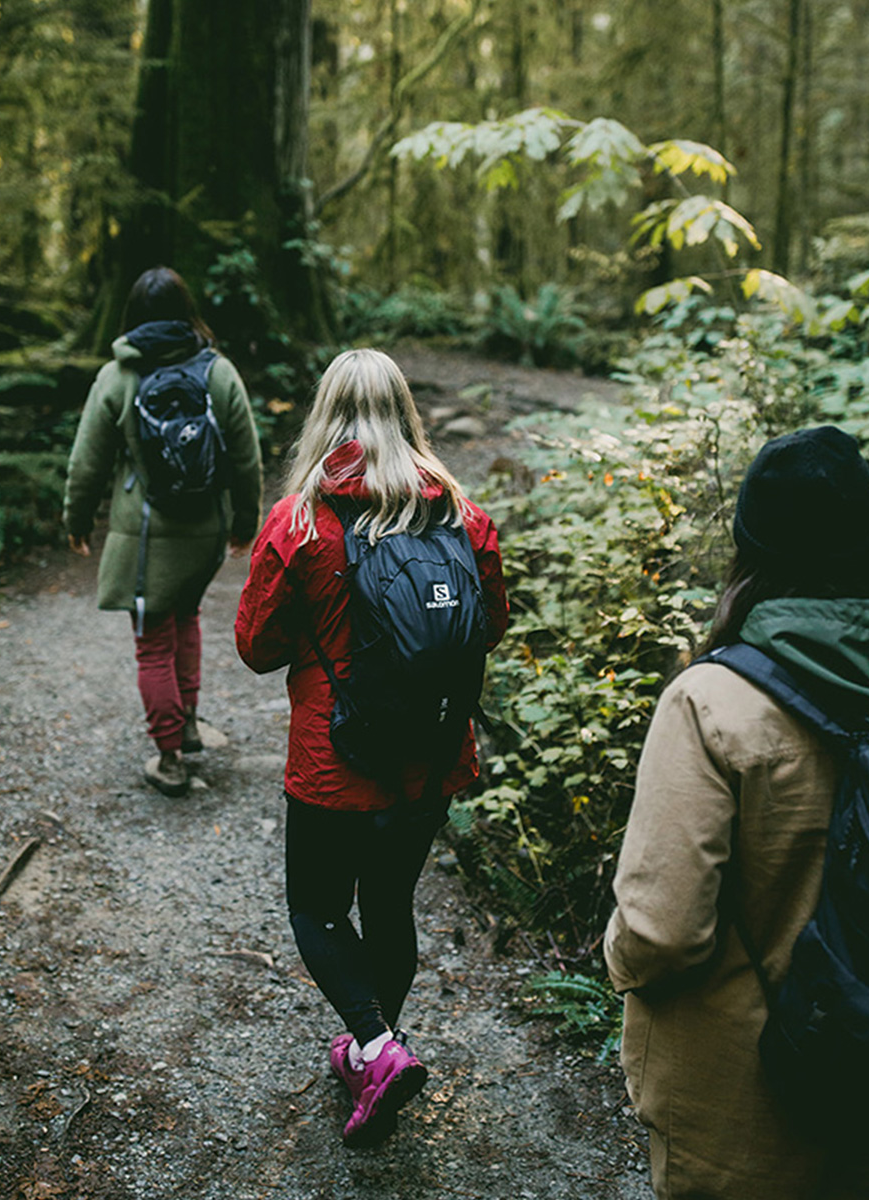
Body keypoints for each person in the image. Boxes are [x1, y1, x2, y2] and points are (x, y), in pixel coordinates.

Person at [603, 425, 869, 1199]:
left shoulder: (711, 701)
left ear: (749, 554)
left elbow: (663, 932)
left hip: (742, 1107)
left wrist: (620, 958)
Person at [234, 348, 508, 1147]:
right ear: (405, 411)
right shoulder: (459, 511)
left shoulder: (300, 521)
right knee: (388, 906)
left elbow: (256, 644)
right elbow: (489, 624)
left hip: (335, 760)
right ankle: (372, 1052)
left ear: (325, 413)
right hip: (430, 755)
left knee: (316, 908)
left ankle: (377, 1050)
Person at [64, 266, 262, 797]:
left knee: (152, 641)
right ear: (187, 310)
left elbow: (88, 462)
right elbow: (245, 456)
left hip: (144, 533)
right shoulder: (218, 371)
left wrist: (76, 520)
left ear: (132, 316)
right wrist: (246, 521)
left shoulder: (116, 377)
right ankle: (190, 719)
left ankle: (170, 756)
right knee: (187, 617)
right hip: (205, 532)